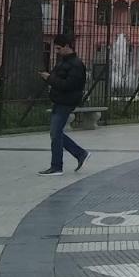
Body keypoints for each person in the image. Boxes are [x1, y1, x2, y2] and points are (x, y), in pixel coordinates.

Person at [38, 33, 89, 175]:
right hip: (60, 100)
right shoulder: (64, 62)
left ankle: (57, 166)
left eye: (59, 48)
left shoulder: (76, 65)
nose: (57, 51)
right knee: (56, 133)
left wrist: (50, 79)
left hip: (66, 101)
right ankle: (80, 154)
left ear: (67, 46)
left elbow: (69, 85)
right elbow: (59, 80)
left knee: (55, 133)